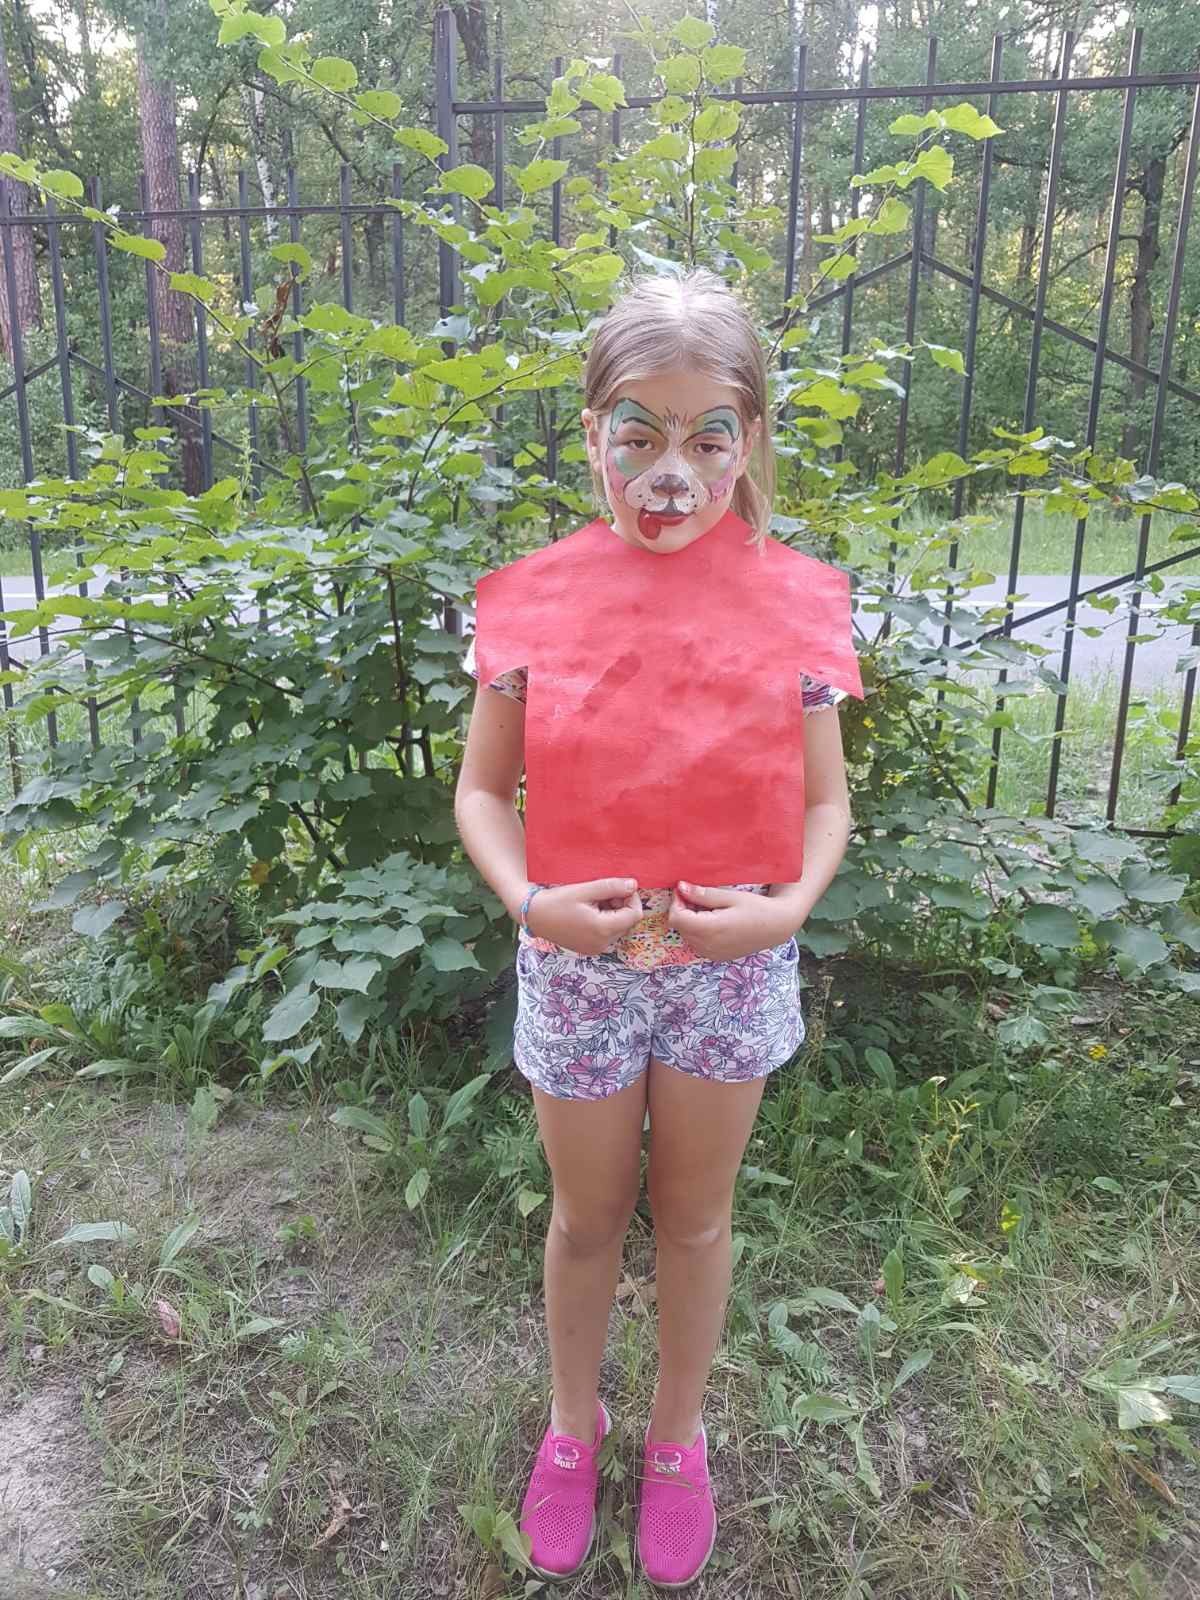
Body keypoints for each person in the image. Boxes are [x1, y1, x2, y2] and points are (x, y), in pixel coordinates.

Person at [454, 266, 855, 1589]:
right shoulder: (533, 603)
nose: (671, 474)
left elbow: (827, 804)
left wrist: (788, 909)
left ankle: (677, 1437)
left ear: (750, 442)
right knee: (585, 1221)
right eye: (639, 435)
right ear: (593, 436)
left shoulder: (793, 602)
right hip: (579, 968)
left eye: (707, 438)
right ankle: (574, 1427)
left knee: (693, 1220)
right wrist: (531, 903)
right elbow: (480, 792)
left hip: (729, 972)